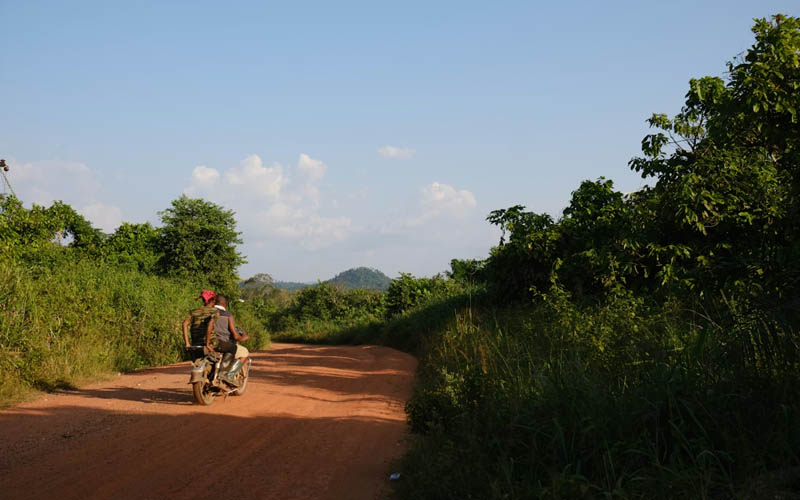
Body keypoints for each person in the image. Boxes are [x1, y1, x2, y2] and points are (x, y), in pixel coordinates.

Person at [208, 295, 250, 372]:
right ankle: (229, 374)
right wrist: (244, 337)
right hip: (220, 344)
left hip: (206, 343)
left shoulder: (207, 312)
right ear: (224, 304)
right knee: (244, 352)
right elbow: (236, 336)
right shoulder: (227, 315)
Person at [182, 290, 219, 355]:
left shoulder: (194, 311)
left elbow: (184, 324)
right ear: (213, 300)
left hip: (195, 343)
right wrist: (207, 344)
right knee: (232, 348)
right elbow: (210, 324)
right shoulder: (214, 311)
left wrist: (187, 343)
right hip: (211, 343)